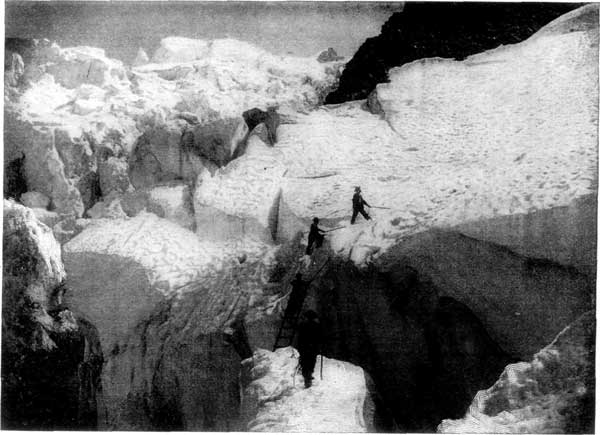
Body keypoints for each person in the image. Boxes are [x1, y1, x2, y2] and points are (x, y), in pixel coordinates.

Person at [297, 310, 322, 388]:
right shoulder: (316, 325)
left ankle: (307, 377)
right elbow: (319, 337)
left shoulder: (302, 325)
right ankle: (308, 377)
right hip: (312, 348)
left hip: (304, 348)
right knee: (311, 362)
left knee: (305, 362)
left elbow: (300, 337)